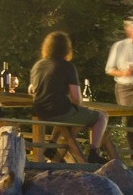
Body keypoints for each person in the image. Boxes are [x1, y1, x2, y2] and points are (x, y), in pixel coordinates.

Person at [28, 31, 107, 163]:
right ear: (66, 48)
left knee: (65, 112)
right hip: (60, 111)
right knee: (101, 116)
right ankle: (94, 153)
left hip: (40, 111)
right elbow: (76, 99)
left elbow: (32, 89)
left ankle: (52, 145)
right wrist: (77, 102)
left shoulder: (37, 66)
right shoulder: (67, 66)